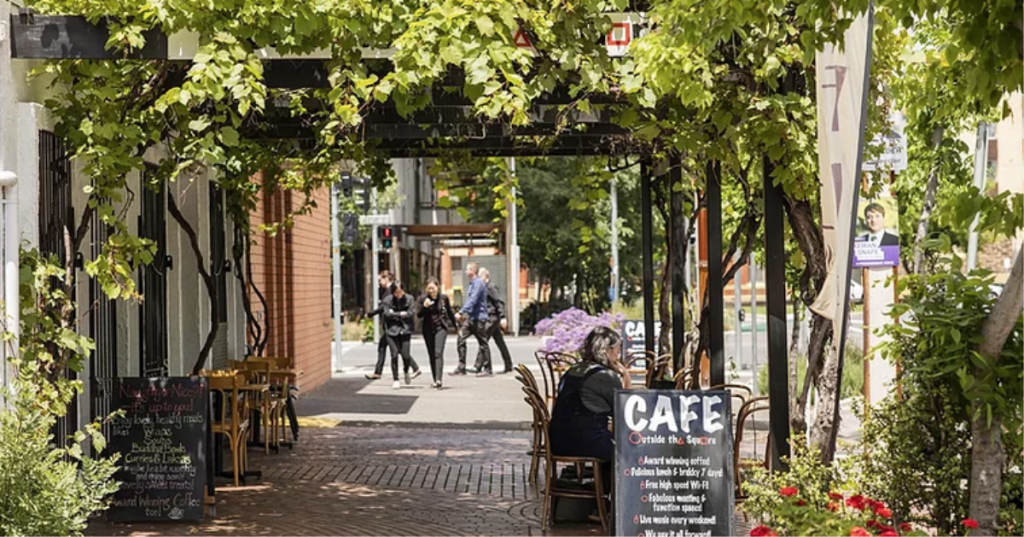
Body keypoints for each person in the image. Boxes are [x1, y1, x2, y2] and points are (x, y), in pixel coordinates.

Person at [548, 326, 632, 489]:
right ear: (607, 350)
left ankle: (600, 495)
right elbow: (625, 409)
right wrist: (626, 375)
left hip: (559, 439)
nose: (618, 354)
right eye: (617, 349)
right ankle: (611, 500)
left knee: (612, 441)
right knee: (629, 451)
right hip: (582, 442)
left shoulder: (575, 369)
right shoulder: (605, 376)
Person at [417, 277, 457, 389]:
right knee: (431, 354)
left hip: (441, 328)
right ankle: (435, 378)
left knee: (438, 353)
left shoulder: (443, 298)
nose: (431, 291)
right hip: (428, 329)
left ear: (437, 287)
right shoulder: (422, 299)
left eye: (433, 288)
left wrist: (456, 326)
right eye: (429, 289)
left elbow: (449, 312)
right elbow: (419, 314)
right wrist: (425, 307)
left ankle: (439, 379)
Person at [454, 262, 493, 377]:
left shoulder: (479, 283)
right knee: (461, 339)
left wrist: (461, 312)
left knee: (482, 343)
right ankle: (461, 367)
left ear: (472, 271)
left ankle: (487, 368)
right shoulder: (472, 284)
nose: (465, 271)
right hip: (471, 318)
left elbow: (473, 299)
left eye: (467, 269)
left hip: (479, 318)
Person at [382, 280, 421, 389]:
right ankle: (395, 379)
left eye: (400, 292)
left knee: (406, 355)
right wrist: (401, 314)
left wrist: (395, 314)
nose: (398, 295)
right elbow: (387, 314)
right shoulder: (387, 300)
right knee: (394, 354)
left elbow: (410, 313)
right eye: (396, 293)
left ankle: (406, 370)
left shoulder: (409, 298)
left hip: (405, 330)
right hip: (391, 330)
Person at [475, 267, 513, 374]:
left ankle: (478, 366)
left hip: (492, 317)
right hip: (490, 317)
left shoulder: (491, 287)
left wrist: (502, 317)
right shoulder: (485, 287)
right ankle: (508, 364)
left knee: (483, 340)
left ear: (484, 276)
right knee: (500, 342)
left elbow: (498, 302)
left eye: (479, 276)